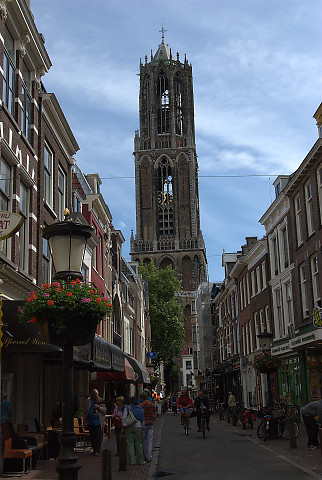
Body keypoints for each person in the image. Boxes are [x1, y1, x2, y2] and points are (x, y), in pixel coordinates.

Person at [84, 389, 107, 456]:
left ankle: (97, 450)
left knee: (97, 436)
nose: (96, 396)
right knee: (92, 437)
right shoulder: (88, 401)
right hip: (90, 422)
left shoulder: (101, 401)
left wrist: (99, 407)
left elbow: (105, 410)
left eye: (97, 394)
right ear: (92, 394)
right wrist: (85, 420)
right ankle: (94, 450)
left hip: (98, 422)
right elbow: (85, 410)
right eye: (95, 394)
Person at [122, 396, 145, 465]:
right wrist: (142, 428)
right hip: (138, 427)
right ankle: (141, 460)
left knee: (130, 444)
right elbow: (143, 421)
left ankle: (132, 461)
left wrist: (124, 426)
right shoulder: (141, 409)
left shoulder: (127, 408)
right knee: (139, 444)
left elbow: (124, 418)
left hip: (129, 427)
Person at [139, 391, 156, 462]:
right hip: (150, 424)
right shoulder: (152, 405)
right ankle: (149, 457)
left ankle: (145, 455)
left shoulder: (140, 406)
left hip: (143, 424)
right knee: (149, 440)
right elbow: (155, 415)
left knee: (143, 441)